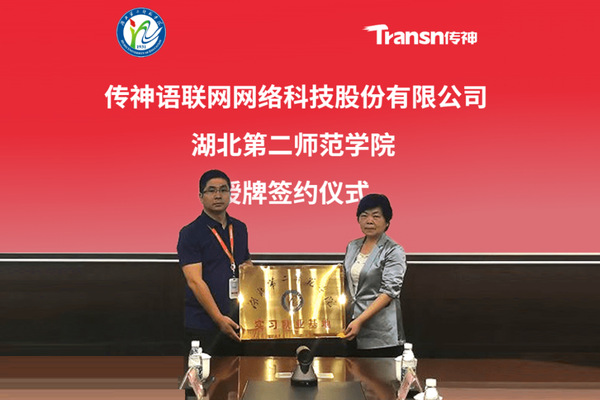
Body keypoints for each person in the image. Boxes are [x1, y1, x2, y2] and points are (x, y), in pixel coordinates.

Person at [177, 169, 252, 356]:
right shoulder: (190, 232)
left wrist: (250, 272)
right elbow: (195, 281)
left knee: (238, 373)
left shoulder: (240, 228)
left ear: (230, 194)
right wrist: (219, 318)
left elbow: (246, 263)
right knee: (202, 374)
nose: (218, 195)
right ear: (201, 196)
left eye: (223, 190)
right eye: (211, 190)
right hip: (203, 324)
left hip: (237, 321)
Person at [343, 193, 406, 357]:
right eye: (364, 216)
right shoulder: (352, 246)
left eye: (376, 216)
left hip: (380, 334)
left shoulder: (394, 250)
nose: (369, 221)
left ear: (387, 222)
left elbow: (389, 292)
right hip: (351, 329)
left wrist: (360, 320)